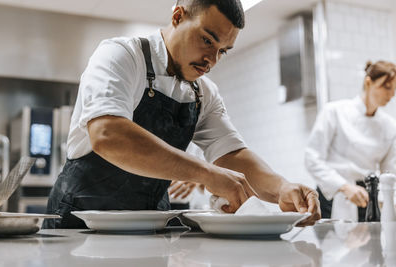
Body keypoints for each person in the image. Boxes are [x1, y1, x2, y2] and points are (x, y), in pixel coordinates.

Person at [43, 0, 320, 229]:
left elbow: (232, 155)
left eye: (222, 50)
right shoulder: (121, 55)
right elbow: (107, 134)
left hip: (149, 226)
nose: (211, 60)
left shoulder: (204, 93)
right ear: (178, 16)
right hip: (79, 223)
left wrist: (281, 187)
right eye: (206, 40)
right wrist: (206, 173)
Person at [305, 60, 396, 222]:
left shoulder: (389, 126)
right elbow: (312, 158)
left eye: (394, 89)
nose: (391, 95)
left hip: (368, 200)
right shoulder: (334, 112)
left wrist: (385, 201)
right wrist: (344, 187)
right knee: (330, 246)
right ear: (369, 83)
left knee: (370, 246)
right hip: (332, 197)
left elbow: (389, 172)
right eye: (386, 87)